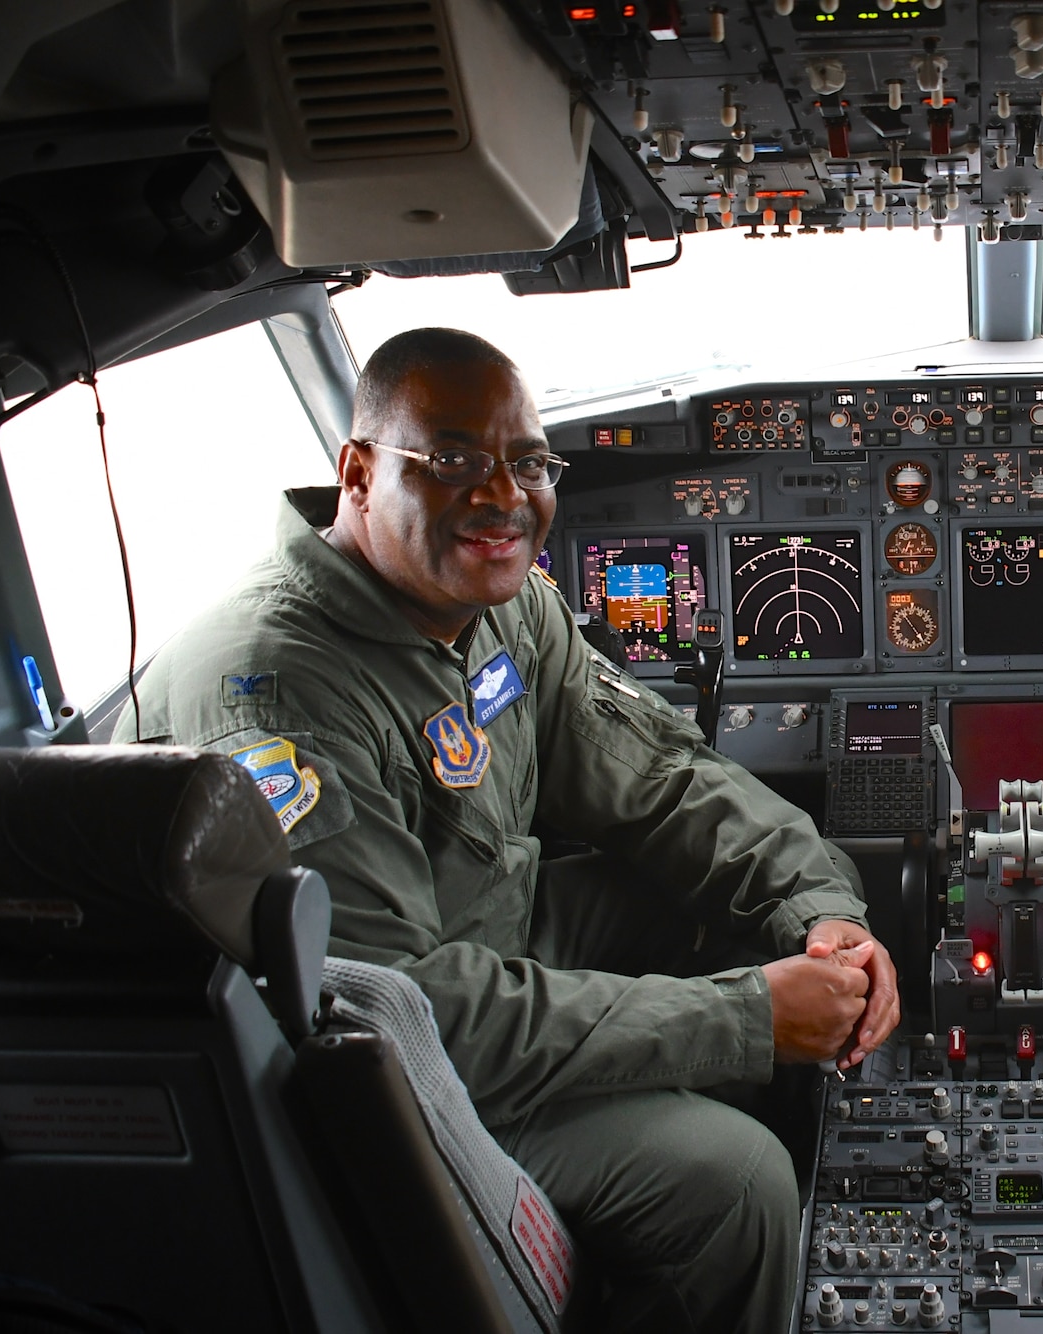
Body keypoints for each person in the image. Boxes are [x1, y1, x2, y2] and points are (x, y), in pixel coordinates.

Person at [115, 327, 899, 1333]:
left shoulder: (499, 605)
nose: (501, 495)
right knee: (735, 1185)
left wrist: (819, 907)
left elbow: (658, 777)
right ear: (357, 471)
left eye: (526, 460)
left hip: (493, 945)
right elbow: (403, 1017)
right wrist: (746, 1018)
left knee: (760, 929)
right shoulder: (279, 691)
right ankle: (725, 1230)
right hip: (380, 1078)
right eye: (451, 460)